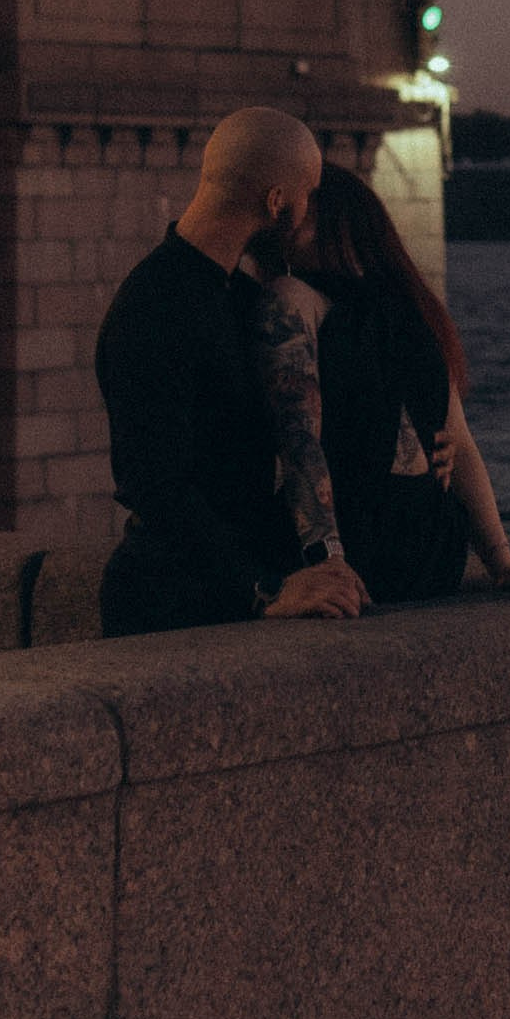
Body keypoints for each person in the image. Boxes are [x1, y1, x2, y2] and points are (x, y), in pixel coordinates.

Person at [95, 108, 368, 636]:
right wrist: (265, 589)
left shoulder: (234, 297)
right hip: (170, 608)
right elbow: (155, 484)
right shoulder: (153, 306)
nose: (308, 211)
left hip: (217, 593)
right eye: (307, 196)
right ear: (275, 202)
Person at [255, 162, 510, 603]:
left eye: (300, 209)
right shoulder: (406, 310)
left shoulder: (304, 299)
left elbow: (455, 442)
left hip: (369, 547)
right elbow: (458, 442)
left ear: (334, 216)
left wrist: (504, 566)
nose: (283, 221)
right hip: (429, 552)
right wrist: (501, 562)